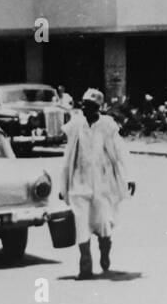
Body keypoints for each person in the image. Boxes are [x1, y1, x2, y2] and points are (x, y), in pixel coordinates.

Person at [58, 89, 135, 279]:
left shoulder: (107, 125)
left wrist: (130, 176)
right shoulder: (76, 124)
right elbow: (66, 157)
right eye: (83, 104)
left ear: (97, 108)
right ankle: (85, 265)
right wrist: (62, 186)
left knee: (103, 223)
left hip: (102, 183)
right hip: (79, 184)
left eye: (88, 105)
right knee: (81, 223)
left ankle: (105, 252)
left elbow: (120, 150)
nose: (83, 108)